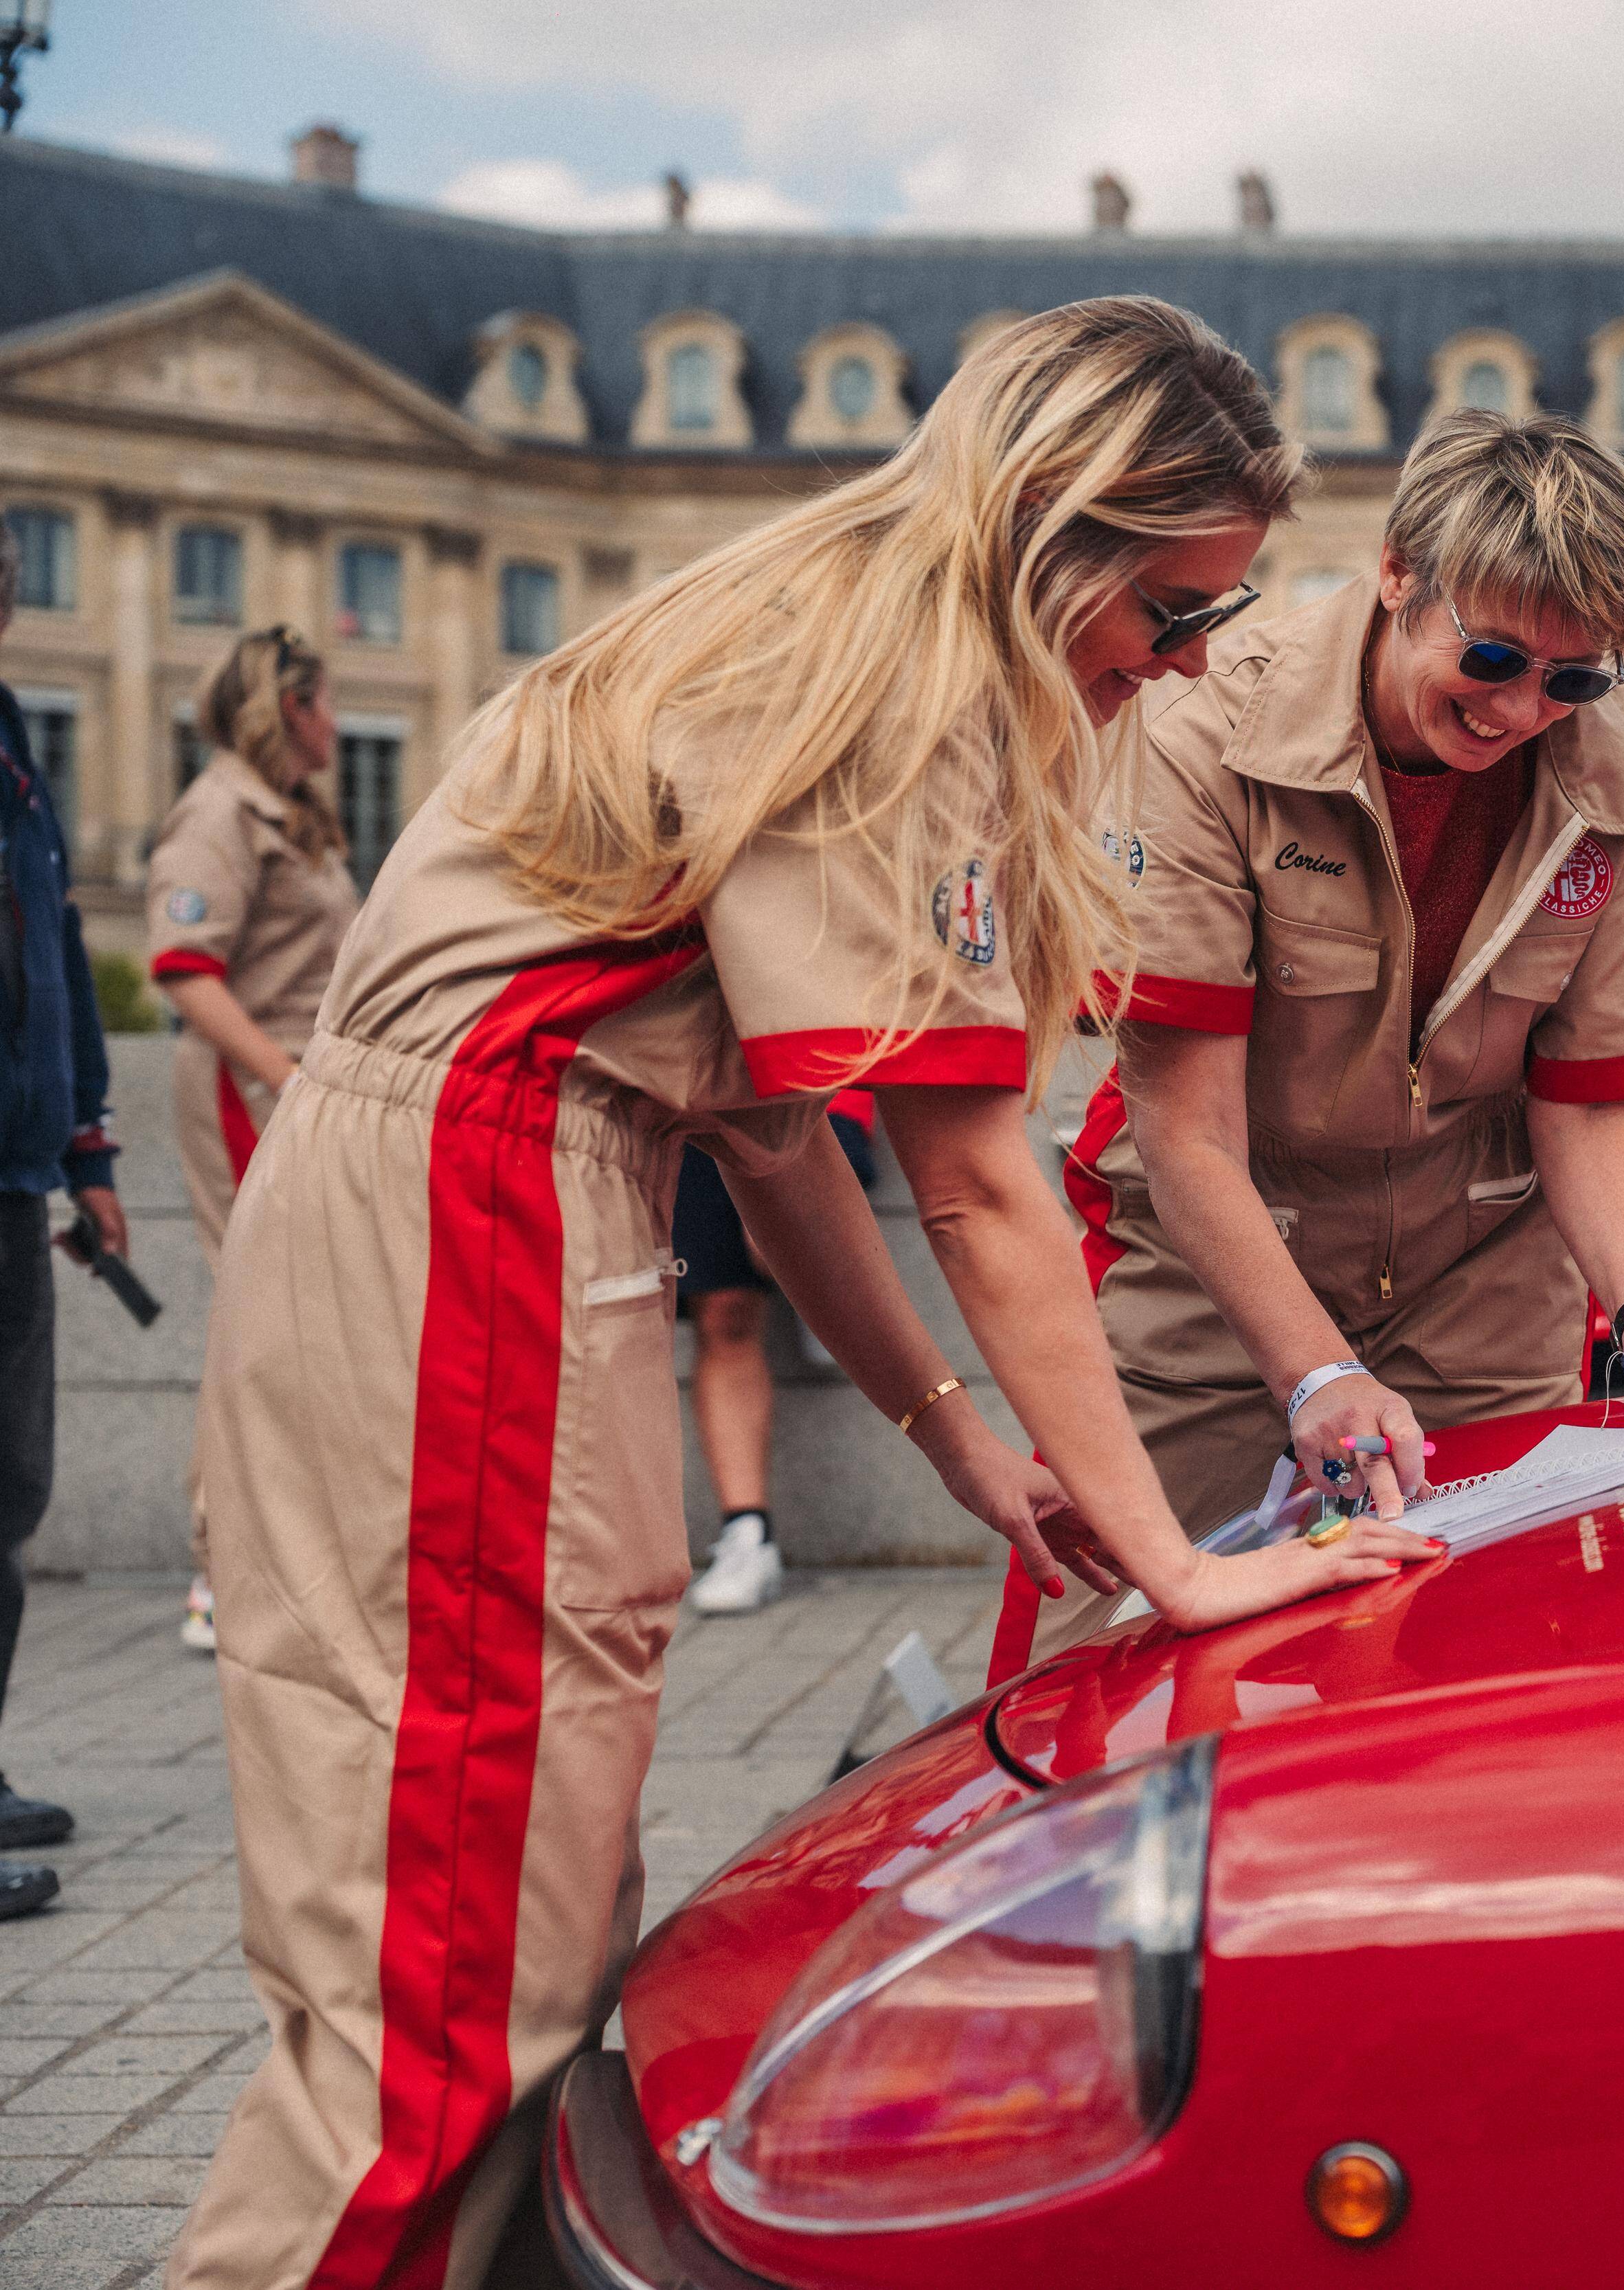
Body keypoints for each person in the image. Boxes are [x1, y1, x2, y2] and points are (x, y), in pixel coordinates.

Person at [169, 296, 1435, 2290]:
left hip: (459, 1183)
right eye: (1175, 615)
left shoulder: (830, 619)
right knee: (452, 1985)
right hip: (477, 1202)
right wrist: (1171, 1565)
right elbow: (969, 1173)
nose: (1178, 666)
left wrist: (962, 1437)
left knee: (475, 1915)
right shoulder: (906, 689)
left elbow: (782, 1129)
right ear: (1062, 535)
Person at [996, 409, 1624, 1676]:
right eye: (1492, 656)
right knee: (1122, 1655)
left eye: (1576, 679)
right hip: (1217, 1271)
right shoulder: (1203, 734)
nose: (1524, 710)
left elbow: (1583, 1096)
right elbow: (1185, 1126)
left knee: (1475, 1663)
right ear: (1397, 572)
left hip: (1484, 1286)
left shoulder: (1616, 768)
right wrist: (1313, 1376)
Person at [145, 624, 364, 1654]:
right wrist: (285, 1080)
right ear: (287, 706)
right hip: (253, 1091)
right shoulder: (217, 814)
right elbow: (187, 969)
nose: (337, 719)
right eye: (323, 699)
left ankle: (279, 1562)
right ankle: (219, 1569)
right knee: (257, 1329)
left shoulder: (290, 812)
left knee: (301, 1329)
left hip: (298, 1090)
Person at [0, 516, 117, 1923]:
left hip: (18, 1172)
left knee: (9, 1493)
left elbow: (58, 945)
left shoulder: (16, 732)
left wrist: (87, 1140)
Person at [666, 1089, 879, 1614]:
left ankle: (819, 1297)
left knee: (788, 1247)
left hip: (810, 1080)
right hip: (692, 1092)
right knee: (723, 1307)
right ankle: (747, 1532)